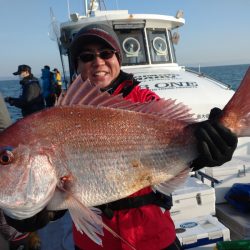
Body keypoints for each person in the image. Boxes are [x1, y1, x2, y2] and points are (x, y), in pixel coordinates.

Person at [5, 24, 238, 250]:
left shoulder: (145, 101)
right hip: (95, 245)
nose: (98, 62)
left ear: (118, 58)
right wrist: (39, 211)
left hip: (153, 236)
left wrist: (207, 149)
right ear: (77, 65)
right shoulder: (60, 113)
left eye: (106, 53)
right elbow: (61, 199)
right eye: (86, 57)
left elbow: (179, 145)